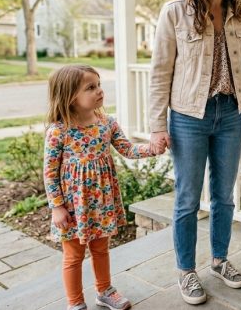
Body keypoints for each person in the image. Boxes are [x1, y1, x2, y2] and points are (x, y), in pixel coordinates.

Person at [148, 0, 241, 305]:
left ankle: (219, 260)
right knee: (187, 199)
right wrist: (157, 126)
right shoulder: (175, 12)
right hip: (188, 118)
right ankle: (186, 271)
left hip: (230, 114)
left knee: (225, 196)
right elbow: (160, 72)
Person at [43, 64, 163, 310]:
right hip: (73, 206)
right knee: (73, 256)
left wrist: (152, 148)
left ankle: (105, 290)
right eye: (90, 87)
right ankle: (75, 302)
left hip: (101, 202)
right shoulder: (59, 131)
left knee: (101, 249)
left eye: (99, 85)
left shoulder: (107, 123)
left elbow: (127, 149)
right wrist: (57, 207)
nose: (99, 91)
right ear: (70, 96)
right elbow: (50, 172)